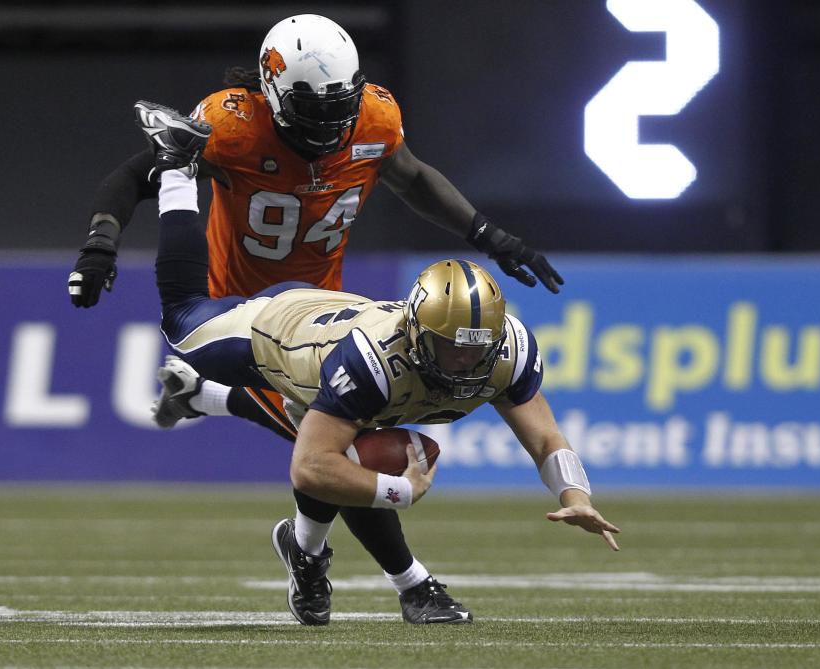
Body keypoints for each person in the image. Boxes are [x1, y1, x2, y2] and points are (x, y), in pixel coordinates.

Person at [67, 14, 564, 625]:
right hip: (242, 308)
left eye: (341, 105)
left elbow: (410, 176)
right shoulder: (232, 123)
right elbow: (132, 175)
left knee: (338, 440)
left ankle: (213, 408)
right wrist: (101, 242)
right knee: (347, 450)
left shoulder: (375, 119)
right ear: (273, 93)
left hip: (323, 309)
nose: (332, 123)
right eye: (313, 108)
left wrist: (489, 235)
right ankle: (411, 585)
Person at [135, 106, 620, 626]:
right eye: (451, 346)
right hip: (280, 329)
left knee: (355, 447)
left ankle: (212, 415)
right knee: (183, 324)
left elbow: (546, 440)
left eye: (476, 347)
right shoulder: (372, 363)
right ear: (416, 335)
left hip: (340, 343)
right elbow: (311, 466)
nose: (465, 360)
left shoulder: (508, 353)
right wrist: (400, 490)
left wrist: (577, 495)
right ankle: (176, 172)